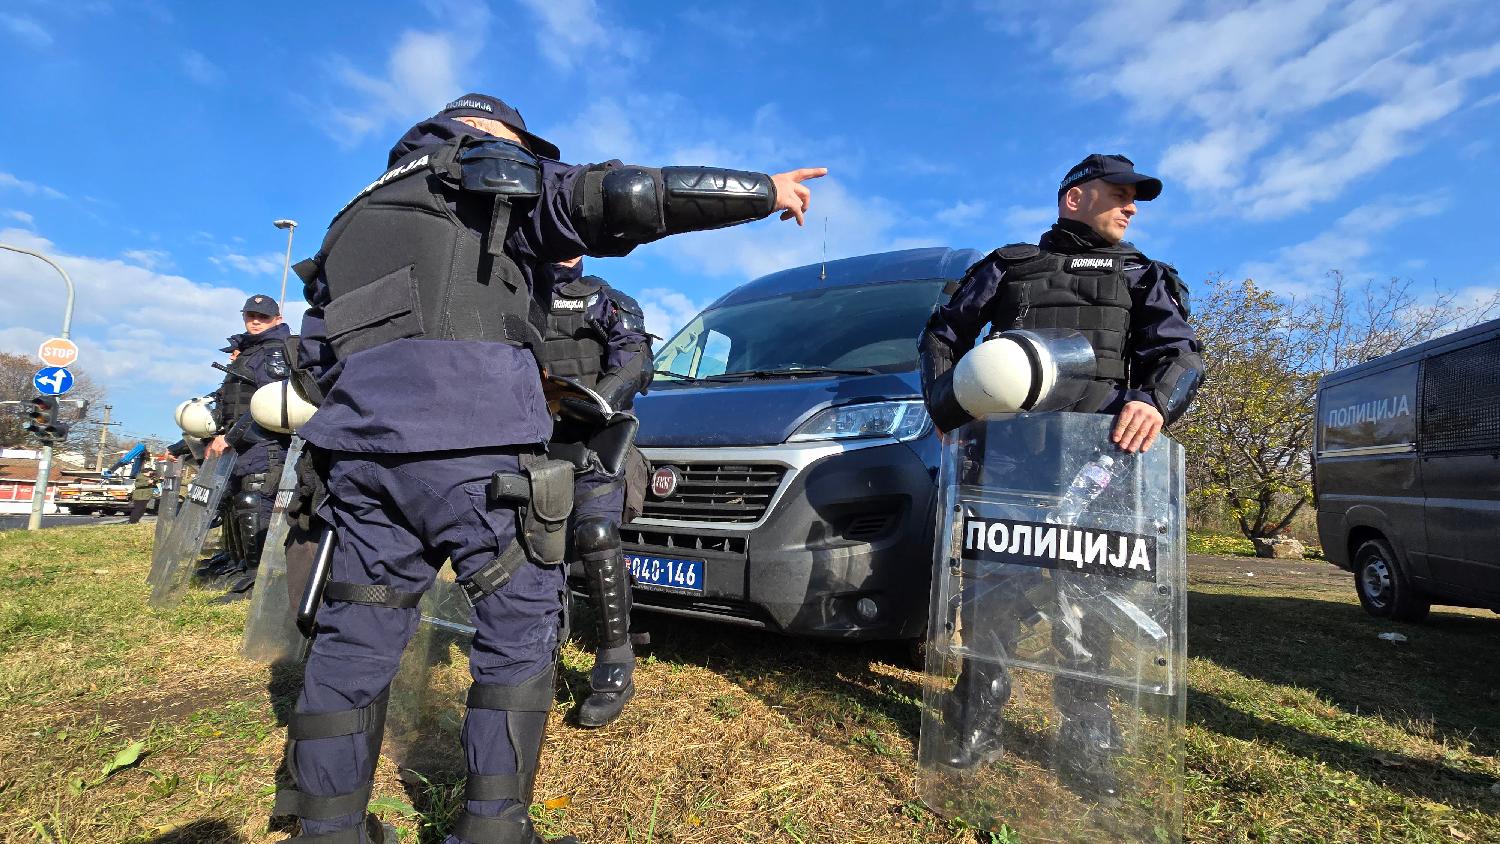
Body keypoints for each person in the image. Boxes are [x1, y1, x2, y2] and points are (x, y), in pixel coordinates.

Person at [278, 93, 824, 844]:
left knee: (353, 640)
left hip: (365, 465)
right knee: (516, 637)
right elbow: (627, 196)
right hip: (480, 457)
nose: (535, 153)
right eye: (522, 139)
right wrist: (767, 191)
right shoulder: (489, 171)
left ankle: (328, 831)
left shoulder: (350, 221)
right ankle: (493, 831)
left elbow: (311, 367)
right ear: (489, 131)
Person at [917, 154, 1205, 793]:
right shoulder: (1007, 266)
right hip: (1009, 461)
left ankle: (1087, 738)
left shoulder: (1143, 275)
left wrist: (1153, 401)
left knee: (1090, 605)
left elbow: (1181, 354)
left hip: (1101, 469)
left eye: (1137, 199)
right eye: (1120, 194)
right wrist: (946, 405)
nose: (1131, 208)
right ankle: (975, 718)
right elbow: (943, 333)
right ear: (1075, 197)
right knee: (990, 597)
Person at [536, 257, 652, 728]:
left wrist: (590, 401)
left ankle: (615, 661)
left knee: (597, 533)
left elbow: (635, 362)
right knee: (533, 545)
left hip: (596, 443)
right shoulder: (520, 292)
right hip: (532, 442)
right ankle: (537, 655)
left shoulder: (604, 299)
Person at [199, 295, 295, 602]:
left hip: (265, 443)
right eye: (250, 316)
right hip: (244, 442)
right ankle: (240, 566)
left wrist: (230, 437)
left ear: (277, 320)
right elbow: (230, 399)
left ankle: (259, 581)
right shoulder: (249, 351)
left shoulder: (274, 351)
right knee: (234, 504)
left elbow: (271, 400)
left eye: (263, 317)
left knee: (255, 502)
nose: (255, 321)